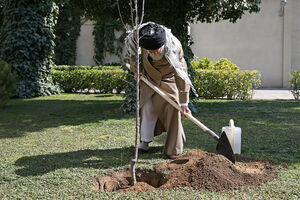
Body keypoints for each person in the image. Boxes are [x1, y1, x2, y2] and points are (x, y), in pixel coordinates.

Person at [125, 22, 196, 159]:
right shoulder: (139, 36)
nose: (154, 53)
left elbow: (181, 75)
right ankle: (145, 141)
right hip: (149, 78)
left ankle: (173, 148)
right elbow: (134, 53)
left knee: (173, 108)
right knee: (147, 107)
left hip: (168, 79)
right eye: (150, 51)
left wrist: (183, 102)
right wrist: (137, 70)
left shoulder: (174, 46)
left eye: (157, 49)